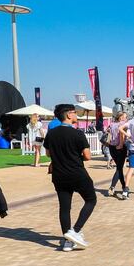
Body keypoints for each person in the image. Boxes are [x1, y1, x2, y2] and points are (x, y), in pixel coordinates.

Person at [43, 104, 96, 252]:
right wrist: (73, 156)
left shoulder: (51, 134)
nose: (76, 115)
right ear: (68, 115)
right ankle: (75, 231)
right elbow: (87, 156)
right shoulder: (78, 134)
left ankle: (67, 241)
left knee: (65, 207)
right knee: (91, 200)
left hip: (59, 175)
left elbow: (48, 154)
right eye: (74, 112)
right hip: (77, 174)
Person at [106, 111, 129, 197]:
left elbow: (108, 132)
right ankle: (112, 187)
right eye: (125, 117)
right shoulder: (123, 124)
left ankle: (124, 187)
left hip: (112, 147)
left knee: (119, 168)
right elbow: (122, 136)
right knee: (119, 169)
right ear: (121, 117)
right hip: (120, 147)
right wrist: (121, 145)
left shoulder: (111, 124)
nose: (126, 118)